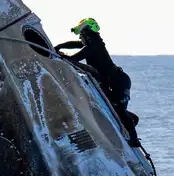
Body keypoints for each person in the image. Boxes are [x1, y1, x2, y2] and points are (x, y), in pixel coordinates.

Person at [56, 18, 141, 146]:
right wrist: (59, 46)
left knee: (120, 110)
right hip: (111, 83)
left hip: (120, 82)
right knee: (114, 107)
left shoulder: (94, 46)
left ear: (87, 34)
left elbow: (75, 58)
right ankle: (132, 119)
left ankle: (134, 140)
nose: (80, 38)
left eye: (81, 35)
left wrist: (60, 54)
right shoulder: (92, 44)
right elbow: (76, 44)